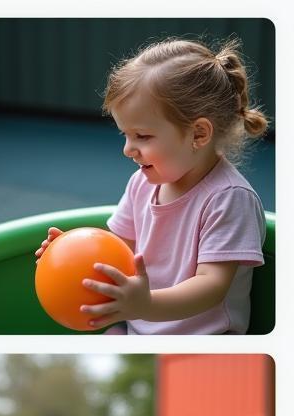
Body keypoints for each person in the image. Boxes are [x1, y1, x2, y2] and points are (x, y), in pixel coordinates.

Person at [35, 38, 267, 334]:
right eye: (125, 135)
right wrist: (68, 254)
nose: (128, 149)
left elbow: (211, 285)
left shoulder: (229, 198)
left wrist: (145, 305)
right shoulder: (141, 184)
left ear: (198, 133)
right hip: (141, 331)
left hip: (204, 343)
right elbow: (117, 252)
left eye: (142, 136)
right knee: (109, 338)